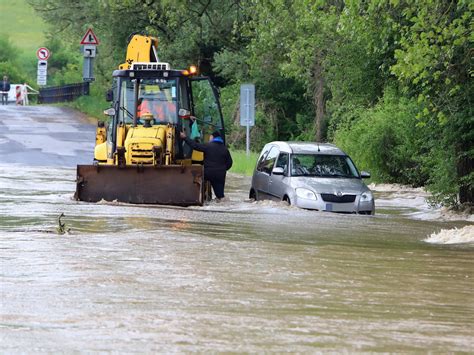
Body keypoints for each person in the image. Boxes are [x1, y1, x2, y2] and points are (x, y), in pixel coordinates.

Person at [180, 129, 233, 200]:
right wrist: (222, 169)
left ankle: (200, 196)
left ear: (212, 137)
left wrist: (185, 138)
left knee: (197, 178)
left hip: (208, 173)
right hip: (220, 175)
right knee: (220, 196)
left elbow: (195, 146)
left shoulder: (208, 146)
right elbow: (230, 163)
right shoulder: (225, 149)